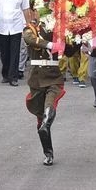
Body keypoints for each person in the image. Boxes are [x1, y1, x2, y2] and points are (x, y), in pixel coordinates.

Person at [22, 12, 80, 166]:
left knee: (50, 103)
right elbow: (29, 38)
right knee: (40, 114)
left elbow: (70, 51)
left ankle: (46, 124)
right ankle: (48, 152)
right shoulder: (32, 27)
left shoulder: (61, 29)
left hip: (53, 75)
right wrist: (50, 44)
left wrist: (80, 36)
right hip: (36, 76)